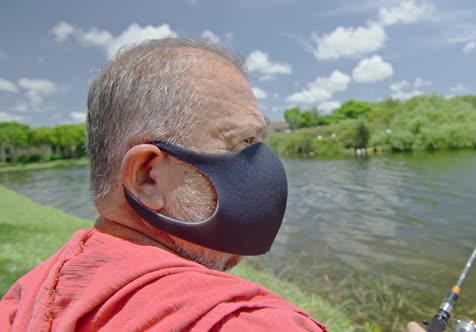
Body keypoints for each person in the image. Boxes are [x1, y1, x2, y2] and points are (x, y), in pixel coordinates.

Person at [0, 37, 326, 331]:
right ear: (147, 177)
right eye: (244, 142)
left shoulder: (28, 296)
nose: (263, 165)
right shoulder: (250, 322)